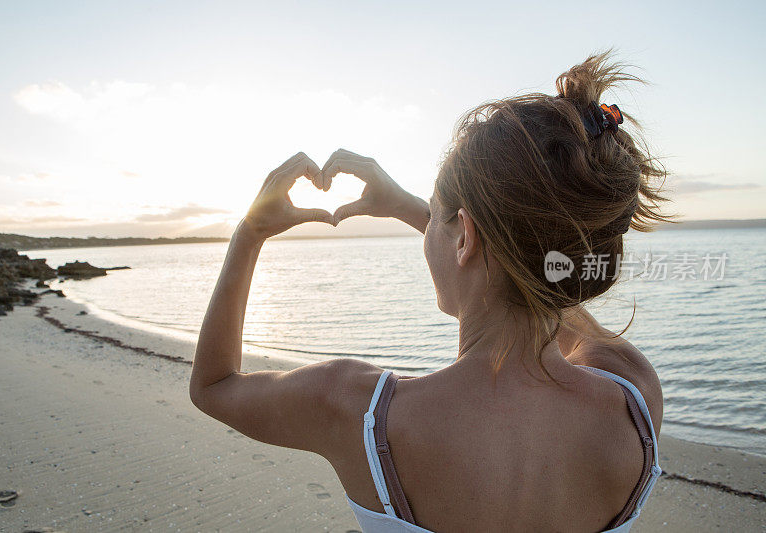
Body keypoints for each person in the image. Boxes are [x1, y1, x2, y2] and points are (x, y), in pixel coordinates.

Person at [189, 51, 667, 532]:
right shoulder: (634, 398)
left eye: (435, 216)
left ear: (464, 236)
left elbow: (214, 387)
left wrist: (248, 233)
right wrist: (429, 213)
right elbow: (544, 275)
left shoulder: (360, 411)